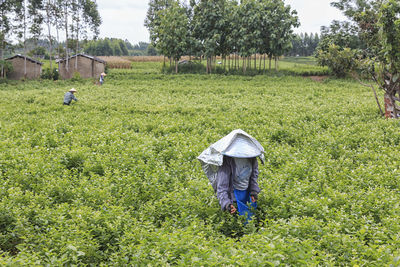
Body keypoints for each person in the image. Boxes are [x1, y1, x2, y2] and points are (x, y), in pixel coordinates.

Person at [198, 129, 264, 221]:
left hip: (247, 193)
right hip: (233, 195)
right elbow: (222, 187)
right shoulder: (227, 161)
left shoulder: (252, 158)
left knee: (251, 220)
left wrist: (253, 191)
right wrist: (227, 204)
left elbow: (253, 177)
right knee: (237, 221)